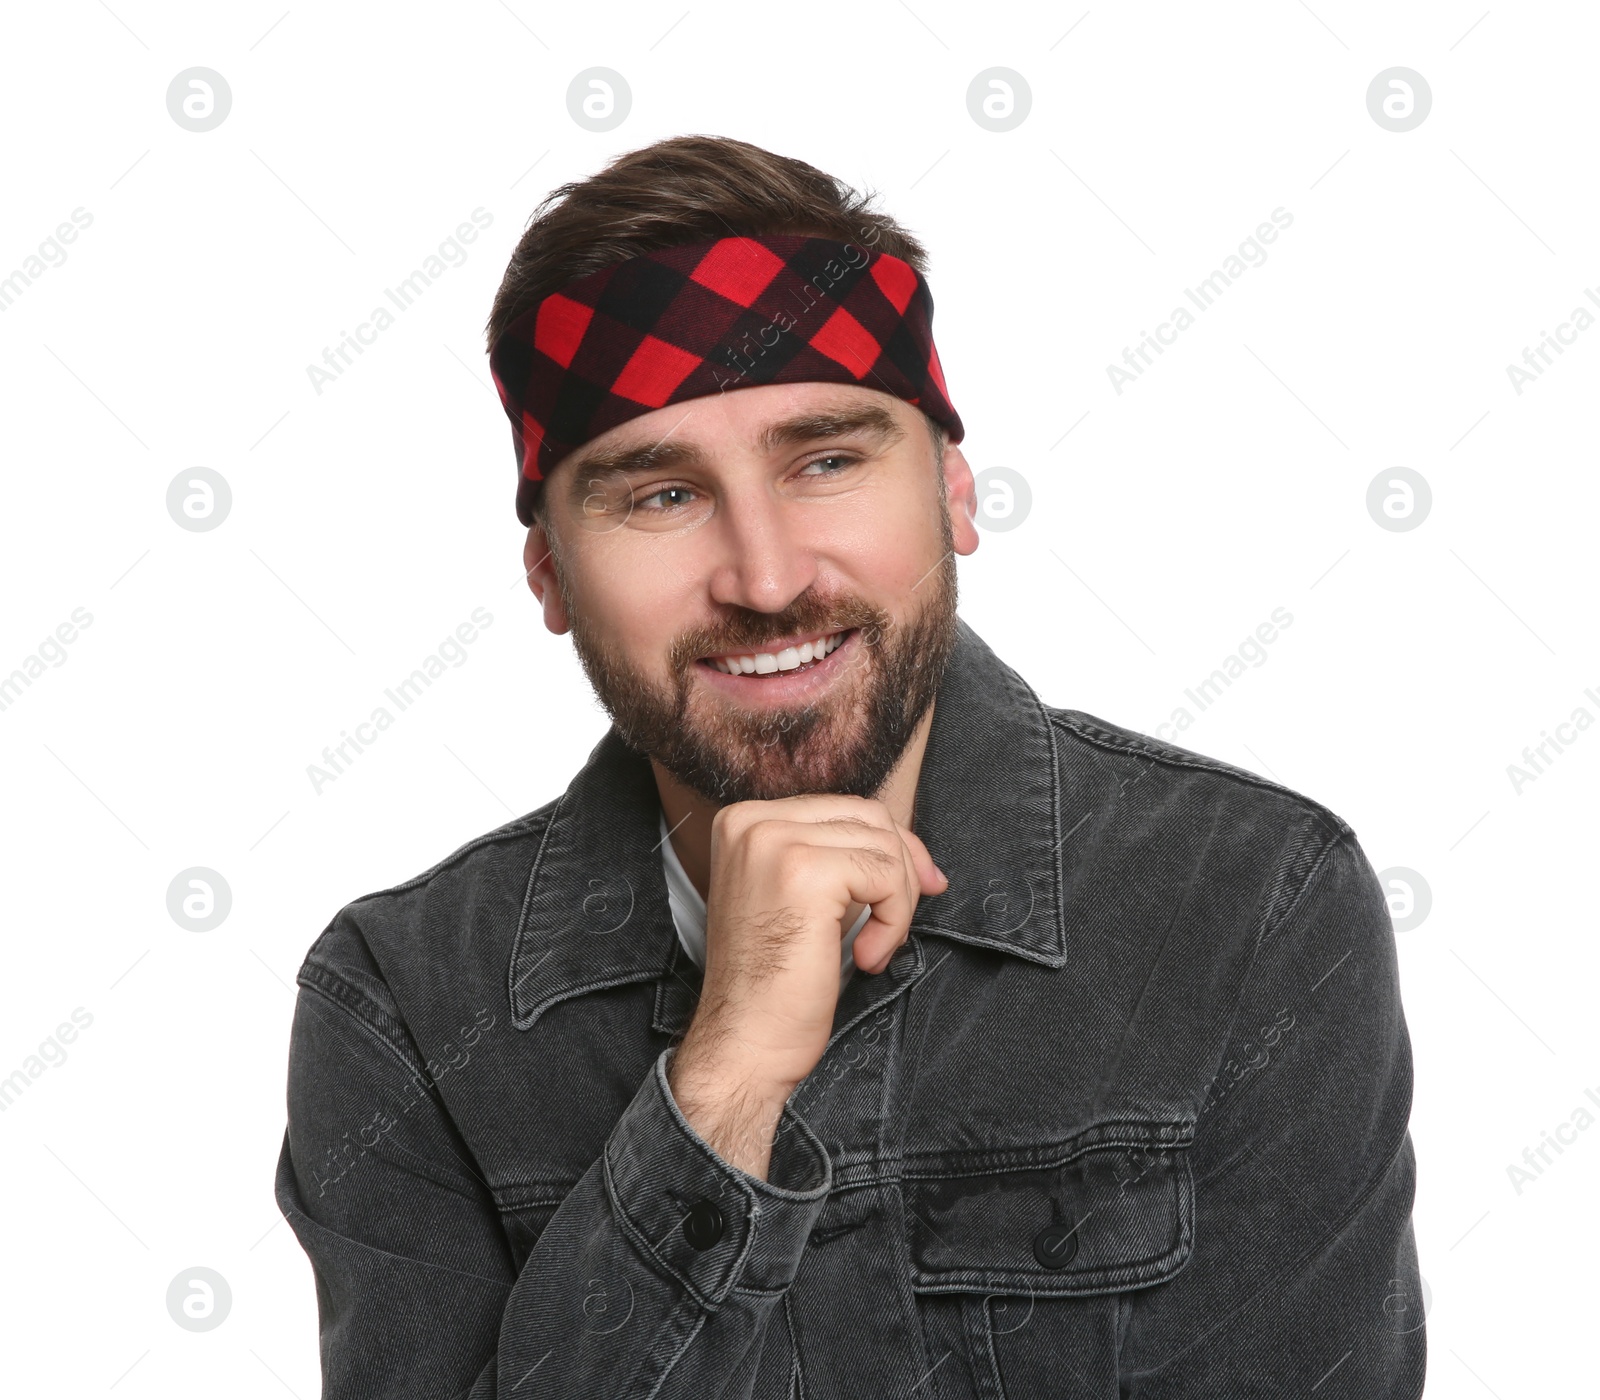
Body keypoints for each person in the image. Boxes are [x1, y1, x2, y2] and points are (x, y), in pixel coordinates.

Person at [274, 134, 1426, 1398]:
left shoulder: (1246, 903)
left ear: (952, 489)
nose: (765, 579)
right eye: (657, 495)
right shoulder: (405, 1001)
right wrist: (720, 1085)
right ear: (550, 573)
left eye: (825, 461)